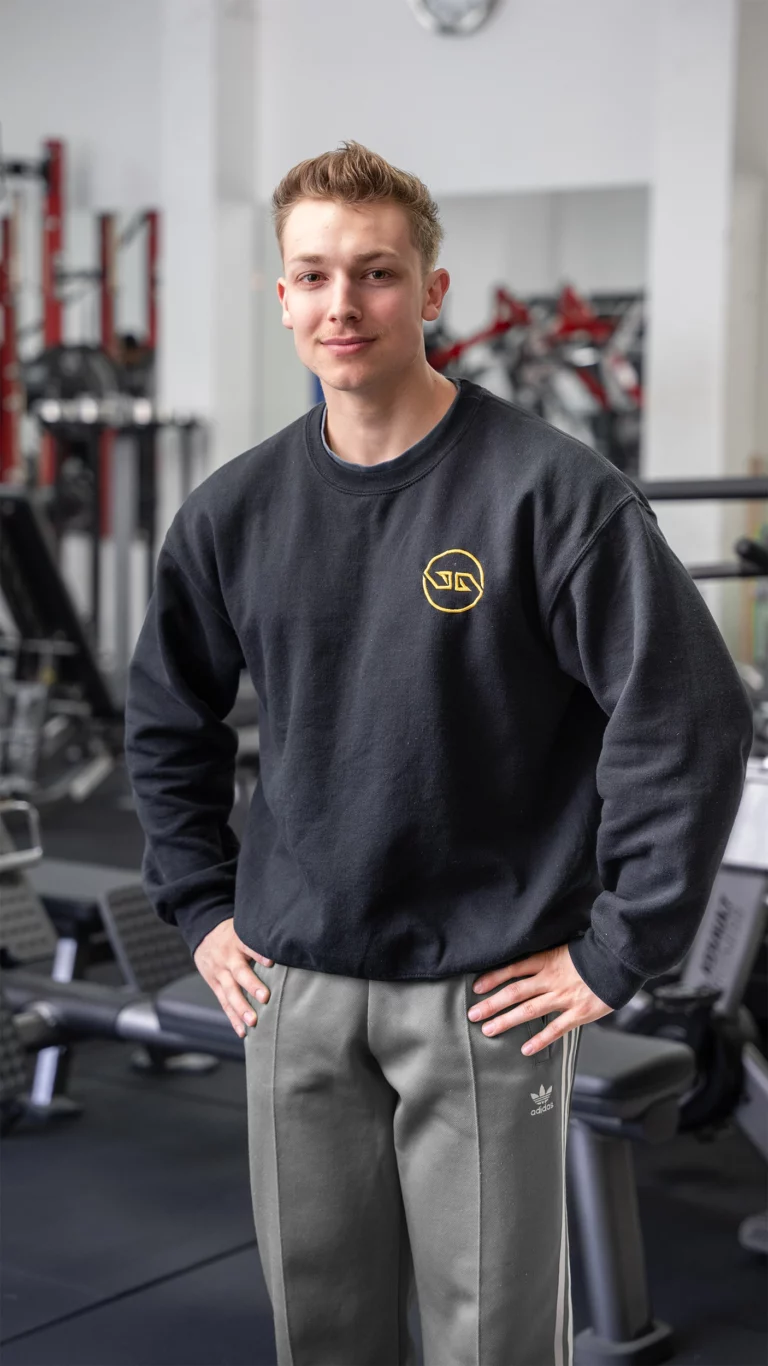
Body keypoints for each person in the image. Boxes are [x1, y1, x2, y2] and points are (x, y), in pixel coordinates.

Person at [124, 141, 754, 1366]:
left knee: (494, 1343)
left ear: (431, 290)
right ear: (283, 297)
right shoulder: (233, 512)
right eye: (314, 276)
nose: (343, 304)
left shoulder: (551, 493)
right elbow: (165, 716)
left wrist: (621, 946)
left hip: (487, 987)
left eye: (375, 272)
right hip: (291, 982)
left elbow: (688, 717)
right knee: (324, 1333)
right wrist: (198, 903)